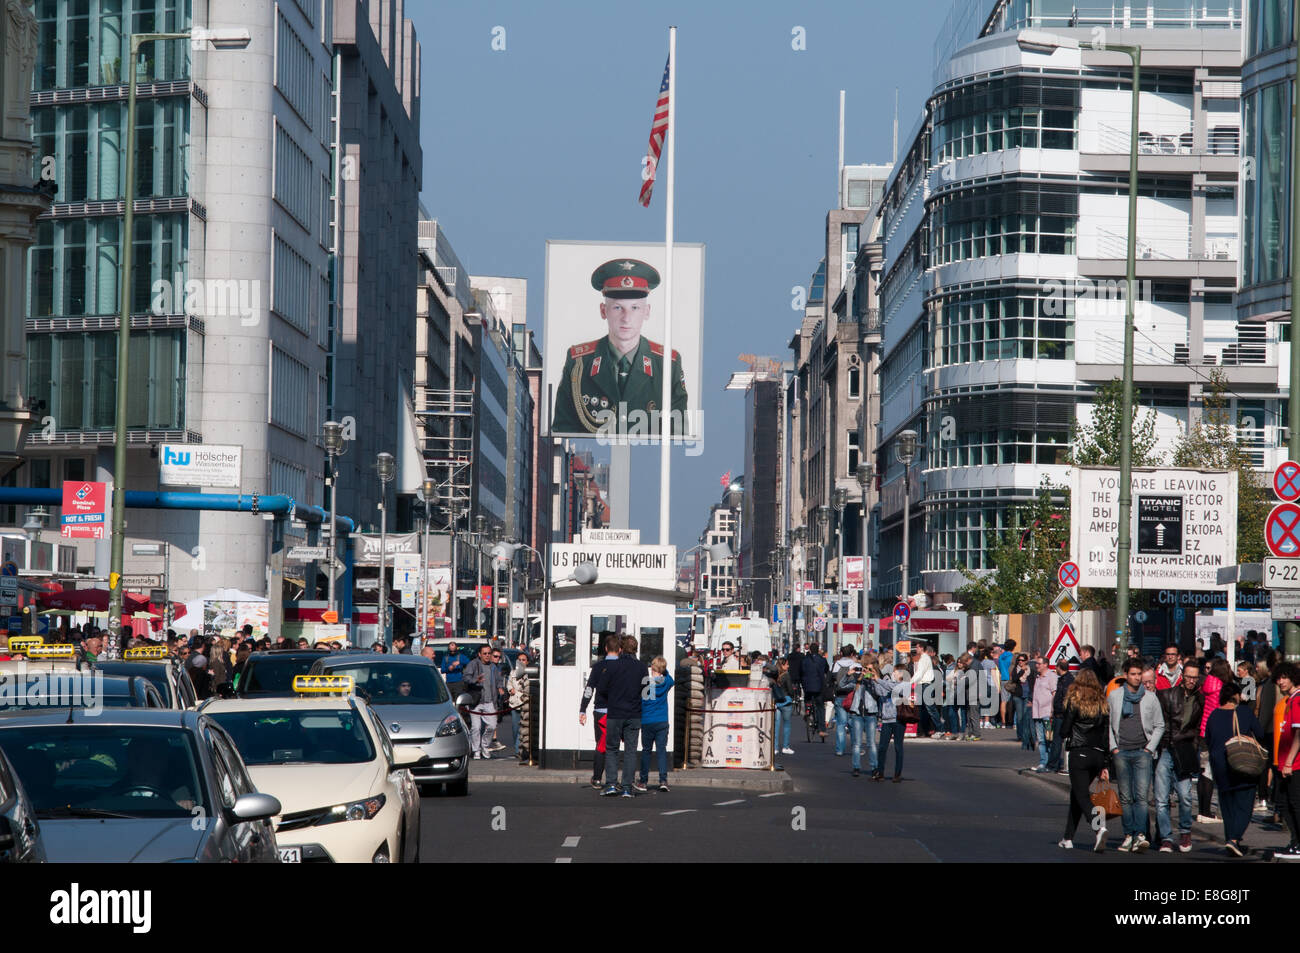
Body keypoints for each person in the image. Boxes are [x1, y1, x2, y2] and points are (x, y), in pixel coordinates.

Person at [550, 258, 688, 436]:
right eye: (617, 308)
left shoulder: (668, 364)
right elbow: (563, 431)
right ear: (603, 311)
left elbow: (678, 435)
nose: (626, 318)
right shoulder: (579, 363)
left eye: (635, 308)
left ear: (647, 312)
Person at [1204, 679, 1270, 857]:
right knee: (1244, 804)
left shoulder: (1214, 715)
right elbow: (1260, 733)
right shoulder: (1244, 712)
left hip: (1220, 767)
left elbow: (1208, 739)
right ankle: (1233, 839)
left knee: (1227, 807)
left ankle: (1231, 842)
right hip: (1242, 764)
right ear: (1235, 696)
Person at [1108, 659, 1165, 853]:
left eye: (1139, 674)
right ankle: (1128, 835)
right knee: (1125, 797)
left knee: (1141, 797)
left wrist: (1149, 749)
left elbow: (1159, 725)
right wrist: (1114, 748)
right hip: (1122, 751)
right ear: (1125, 675)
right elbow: (1109, 724)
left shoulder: (1150, 698)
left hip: (1142, 752)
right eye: (1133, 674)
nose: (1137, 678)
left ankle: (1140, 835)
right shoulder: (1115, 696)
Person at [1154, 658, 1204, 854]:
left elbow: (1197, 727)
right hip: (1167, 749)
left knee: (1185, 795)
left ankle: (1185, 832)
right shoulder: (1167, 695)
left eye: (1195, 678)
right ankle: (1166, 838)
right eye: (1189, 677)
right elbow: (1161, 724)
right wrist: (1163, 745)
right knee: (1161, 798)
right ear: (1182, 676)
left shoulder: (1199, 699)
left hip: (1185, 750)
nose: (1191, 681)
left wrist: (1193, 746)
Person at [1059, 669, 1111, 852]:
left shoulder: (1075, 700)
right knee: (1077, 795)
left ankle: (1098, 826)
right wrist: (1105, 763)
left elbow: (1064, 730)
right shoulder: (1102, 703)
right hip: (1097, 754)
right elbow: (1106, 734)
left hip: (1079, 753)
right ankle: (1067, 838)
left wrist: (1065, 732)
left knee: (1082, 795)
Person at [595, 635, 649, 797]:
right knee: (630, 751)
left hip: (615, 713)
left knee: (612, 749)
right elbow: (648, 693)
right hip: (634, 714)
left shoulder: (613, 666)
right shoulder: (642, 667)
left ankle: (611, 784)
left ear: (621, 649)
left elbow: (602, 689)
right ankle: (627, 787)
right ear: (636, 649)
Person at [579, 634, 621, 789]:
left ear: (605, 648)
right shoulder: (622, 666)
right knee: (614, 746)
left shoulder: (598, 667)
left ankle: (597, 778)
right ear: (620, 649)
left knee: (600, 744)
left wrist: (583, 709)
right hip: (618, 711)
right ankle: (612, 779)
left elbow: (589, 689)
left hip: (601, 711)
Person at [1272, 662, 1300, 860]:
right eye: (1278, 678)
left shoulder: (1297, 700)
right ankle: (1295, 842)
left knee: (1294, 804)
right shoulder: (1290, 700)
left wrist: (1289, 761)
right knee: (1284, 804)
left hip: (1294, 764)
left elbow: (1299, 733)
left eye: (1284, 677)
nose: (1280, 682)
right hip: (1286, 763)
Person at [1196, 657, 1230, 822]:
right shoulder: (1221, 689)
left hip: (1203, 731)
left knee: (1203, 771)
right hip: (1214, 733)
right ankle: (1206, 813)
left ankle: (1201, 810)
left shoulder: (1207, 684)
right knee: (1210, 773)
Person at [636, 656, 674, 792]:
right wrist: (664, 670)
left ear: (652, 668)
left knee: (646, 751)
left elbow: (641, 701)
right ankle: (663, 780)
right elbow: (671, 679)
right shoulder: (666, 682)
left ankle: (643, 781)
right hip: (662, 720)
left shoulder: (646, 682)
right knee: (661, 751)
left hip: (647, 720)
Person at [463, 645, 506, 760]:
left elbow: (498, 680)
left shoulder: (493, 667)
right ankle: (476, 750)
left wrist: (500, 687)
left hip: (489, 701)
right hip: (476, 701)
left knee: (492, 725)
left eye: (489, 653)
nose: (487, 655)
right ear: (479, 654)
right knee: (476, 728)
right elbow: (466, 677)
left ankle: (485, 746)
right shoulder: (473, 664)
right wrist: (475, 680)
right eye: (485, 653)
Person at [869, 664, 910, 781]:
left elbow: (894, 688)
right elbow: (880, 691)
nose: (893, 673)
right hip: (887, 719)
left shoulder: (905, 684)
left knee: (898, 747)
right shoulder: (888, 683)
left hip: (899, 719)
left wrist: (878, 679)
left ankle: (897, 774)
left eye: (895, 672)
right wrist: (873, 680)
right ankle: (880, 772)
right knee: (882, 747)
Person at [843, 657, 880, 778]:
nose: (866, 672)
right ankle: (856, 767)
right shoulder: (857, 682)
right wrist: (849, 674)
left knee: (871, 743)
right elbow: (842, 685)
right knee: (857, 743)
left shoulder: (875, 681)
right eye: (865, 669)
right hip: (857, 714)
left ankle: (874, 767)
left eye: (869, 669)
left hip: (871, 713)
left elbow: (880, 692)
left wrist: (874, 679)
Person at [1029, 656, 1059, 772]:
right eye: (1036, 663)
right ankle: (1043, 762)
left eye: (1039, 664)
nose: (1037, 666)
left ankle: (1051, 762)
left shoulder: (1051, 676)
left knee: (1049, 739)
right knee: (1041, 739)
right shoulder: (1037, 677)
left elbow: (1054, 694)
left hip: (1047, 713)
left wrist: (1052, 710)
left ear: (1045, 664)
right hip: (1037, 712)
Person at [1046, 659, 1073, 773]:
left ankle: (1053, 765)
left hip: (1062, 715)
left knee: (1057, 740)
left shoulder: (1066, 680)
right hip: (1061, 714)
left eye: (1056, 666)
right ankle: (1055, 764)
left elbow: (1065, 698)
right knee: (1057, 740)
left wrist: (1059, 710)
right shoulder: (1064, 679)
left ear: (1059, 667)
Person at [800, 642, 829, 738]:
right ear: (818, 650)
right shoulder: (822, 660)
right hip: (818, 686)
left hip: (807, 686)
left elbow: (801, 671)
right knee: (820, 707)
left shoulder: (805, 660)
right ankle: (822, 729)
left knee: (807, 699)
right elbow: (826, 670)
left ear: (810, 650)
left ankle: (807, 711)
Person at [507, 653, 530, 759]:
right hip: (514, 703)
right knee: (515, 728)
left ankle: (519, 750)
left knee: (523, 727)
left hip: (524, 703)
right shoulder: (513, 672)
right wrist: (510, 689)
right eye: (519, 660)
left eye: (523, 660)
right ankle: (517, 747)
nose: (521, 662)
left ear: (527, 662)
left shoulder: (529, 673)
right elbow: (509, 684)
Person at [773, 657, 796, 755]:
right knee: (787, 725)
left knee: (776, 726)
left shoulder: (774, 675)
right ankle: (785, 747)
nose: (788, 666)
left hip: (776, 702)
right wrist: (792, 695)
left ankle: (775, 748)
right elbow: (790, 689)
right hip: (786, 701)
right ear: (782, 665)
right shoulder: (786, 675)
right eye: (787, 664)